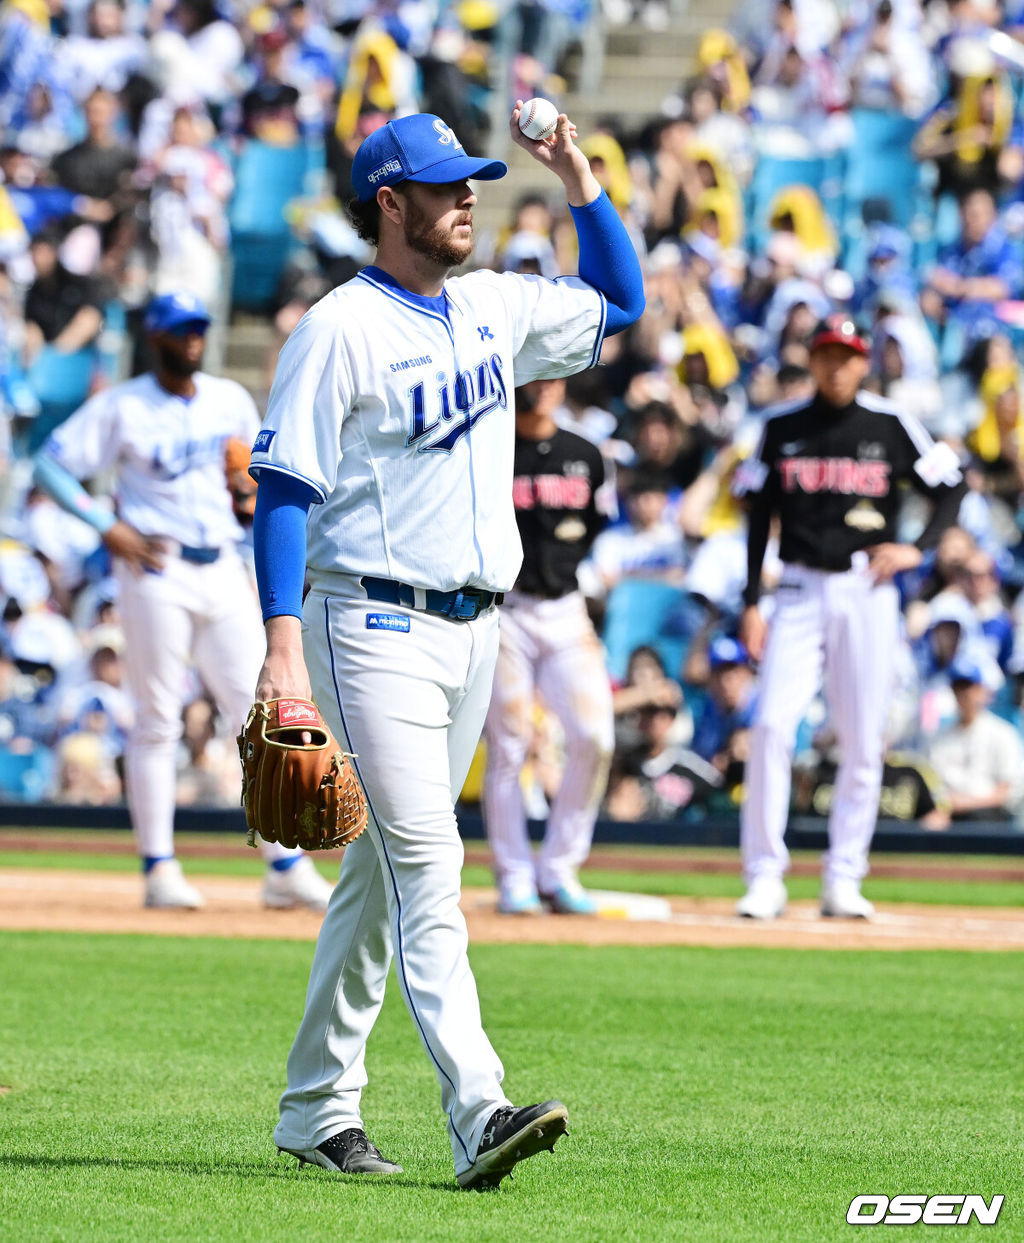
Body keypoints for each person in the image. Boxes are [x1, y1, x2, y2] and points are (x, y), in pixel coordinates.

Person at [248, 107, 643, 1188]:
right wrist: (282, 647)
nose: (467, 195)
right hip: (363, 621)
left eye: (471, 180)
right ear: (390, 202)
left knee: (377, 881)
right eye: (443, 184)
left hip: (476, 630)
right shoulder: (338, 328)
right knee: (429, 862)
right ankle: (479, 1111)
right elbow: (283, 491)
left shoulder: (490, 307)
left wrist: (576, 173)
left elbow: (621, 302)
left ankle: (313, 1109)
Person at [32, 291, 332, 912]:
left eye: (199, 328)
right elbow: (51, 466)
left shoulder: (227, 398)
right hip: (156, 567)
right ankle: (159, 867)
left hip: (221, 563)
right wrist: (105, 524)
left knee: (260, 714)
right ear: (157, 337)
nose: (193, 338)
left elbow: (259, 481)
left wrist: (247, 487)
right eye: (180, 330)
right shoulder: (122, 405)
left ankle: (284, 864)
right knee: (158, 720)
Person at [733, 314, 966, 920]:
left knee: (863, 739)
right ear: (812, 360)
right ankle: (765, 875)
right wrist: (752, 601)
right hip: (799, 589)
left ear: (864, 361)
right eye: (827, 354)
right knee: (770, 728)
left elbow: (953, 485)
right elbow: (758, 516)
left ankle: (843, 875)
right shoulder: (780, 426)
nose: (837, 365)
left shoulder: (889, 424)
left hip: (867, 587)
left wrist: (918, 546)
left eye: (847, 354)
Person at [482, 376, 613, 915]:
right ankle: (514, 874)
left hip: (564, 606)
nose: (543, 387)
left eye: (552, 377)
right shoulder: (488, 444)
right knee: (510, 746)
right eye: (533, 376)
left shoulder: (585, 454)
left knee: (595, 737)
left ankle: (559, 869)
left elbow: (597, 525)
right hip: (504, 608)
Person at [926, 660, 1024, 824]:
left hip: (988, 815)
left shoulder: (1002, 733)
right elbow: (930, 782)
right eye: (959, 687)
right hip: (945, 813)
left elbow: (1006, 792)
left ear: (981, 690)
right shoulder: (939, 737)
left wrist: (965, 803)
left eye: (969, 687)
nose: (964, 694)